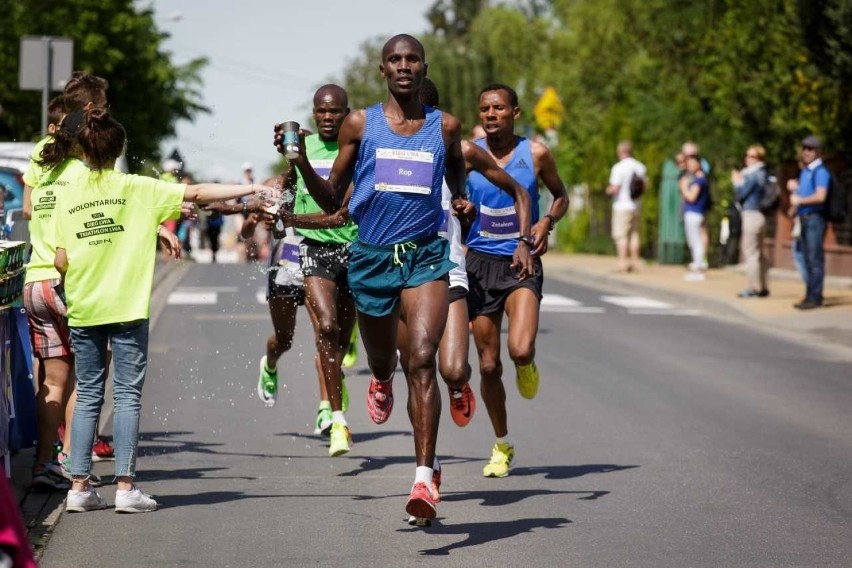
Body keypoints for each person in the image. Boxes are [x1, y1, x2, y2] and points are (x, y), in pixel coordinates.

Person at [277, 34, 472, 521]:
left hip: (425, 256)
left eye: (412, 59)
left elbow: (457, 180)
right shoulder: (359, 125)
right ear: (382, 69)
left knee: (422, 358)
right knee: (384, 359)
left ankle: (424, 479)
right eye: (394, 60)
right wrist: (301, 162)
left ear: (423, 68)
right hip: (371, 259)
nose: (404, 66)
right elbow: (332, 201)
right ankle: (380, 378)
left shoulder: (445, 127)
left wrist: (464, 205)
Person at [44, 108, 271, 513]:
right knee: (127, 395)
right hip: (127, 307)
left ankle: (78, 487)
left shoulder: (68, 194)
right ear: (117, 150)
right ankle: (126, 488)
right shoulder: (137, 187)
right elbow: (198, 193)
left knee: (90, 393)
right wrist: (248, 190)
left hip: (84, 306)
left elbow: (60, 259)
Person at [464, 83, 568, 479]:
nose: (491, 115)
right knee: (488, 366)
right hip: (479, 263)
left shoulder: (536, 153)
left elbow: (560, 196)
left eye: (499, 108)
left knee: (519, 348)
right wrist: (463, 206)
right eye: (485, 109)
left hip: (521, 260)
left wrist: (547, 221)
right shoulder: (470, 153)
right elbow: (454, 194)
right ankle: (502, 444)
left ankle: (527, 364)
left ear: (515, 113)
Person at [22, 74, 110, 492]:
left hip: (33, 281)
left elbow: (26, 208)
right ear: (90, 112)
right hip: (68, 280)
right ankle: (77, 467)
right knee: (88, 378)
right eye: (103, 107)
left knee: (52, 381)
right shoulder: (85, 166)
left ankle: (43, 465)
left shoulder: (41, 153)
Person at [787, 135, 830, 309]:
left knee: (814, 258)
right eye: (805, 148)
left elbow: (820, 196)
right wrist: (794, 207)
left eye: (811, 149)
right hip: (804, 218)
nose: (806, 152)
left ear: (818, 152)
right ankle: (810, 293)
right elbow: (802, 195)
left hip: (815, 219)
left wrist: (799, 202)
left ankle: (815, 296)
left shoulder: (820, 172)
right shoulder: (806, 171)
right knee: (805, 258)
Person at [732, 144, 770, 297]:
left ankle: (754, 288)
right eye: (747, 155)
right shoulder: (763, 173)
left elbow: (741, 194)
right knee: (759, 254)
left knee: (751, 253)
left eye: (752, 156)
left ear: (759, 158)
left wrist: (736, 182)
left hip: (751, 215)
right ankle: (762, 287)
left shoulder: (753, 175)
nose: (748, 159)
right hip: (760, 216)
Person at [606, 141, 647, 273]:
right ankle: (635, 262)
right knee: (634, 234)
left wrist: (608, 190)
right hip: (636, 204)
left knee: (621, 235)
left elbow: (615, 188)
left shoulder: (618, 168)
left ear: (621, 152)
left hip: (622, 206)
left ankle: (622, 263)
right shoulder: (640, 166)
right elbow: (645, 186)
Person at [679, 154, 711, 280]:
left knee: (695, 242)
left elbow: (691, 197)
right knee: (694, 241)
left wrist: (683, 187)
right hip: (696, 213)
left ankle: (698, 269)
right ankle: (698, 265)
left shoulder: (699, 180)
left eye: (693, 163)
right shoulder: (699, 179)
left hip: (694, 212)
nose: (690, 166)